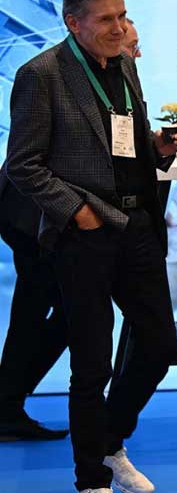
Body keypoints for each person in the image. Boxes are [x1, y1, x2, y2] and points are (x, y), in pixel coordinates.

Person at [7, 0, 177, 493]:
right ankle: (92, 481)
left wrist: (158, 150)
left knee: (159, 347)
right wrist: (76, 211)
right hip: (84, 235)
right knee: (91, 364)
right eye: (107, 19)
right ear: (74, 22)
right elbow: (23, 164)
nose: (120, 28)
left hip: (138, 227)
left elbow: (120, 147)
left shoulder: (125, 66)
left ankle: (108, 441)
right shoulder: (41, 74)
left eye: (123, 17)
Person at [0, 163, 68, 442]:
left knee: (37, 310)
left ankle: (7, 403)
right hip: (34, 210)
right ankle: (7, 402)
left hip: (30, 207)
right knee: (67, 310)